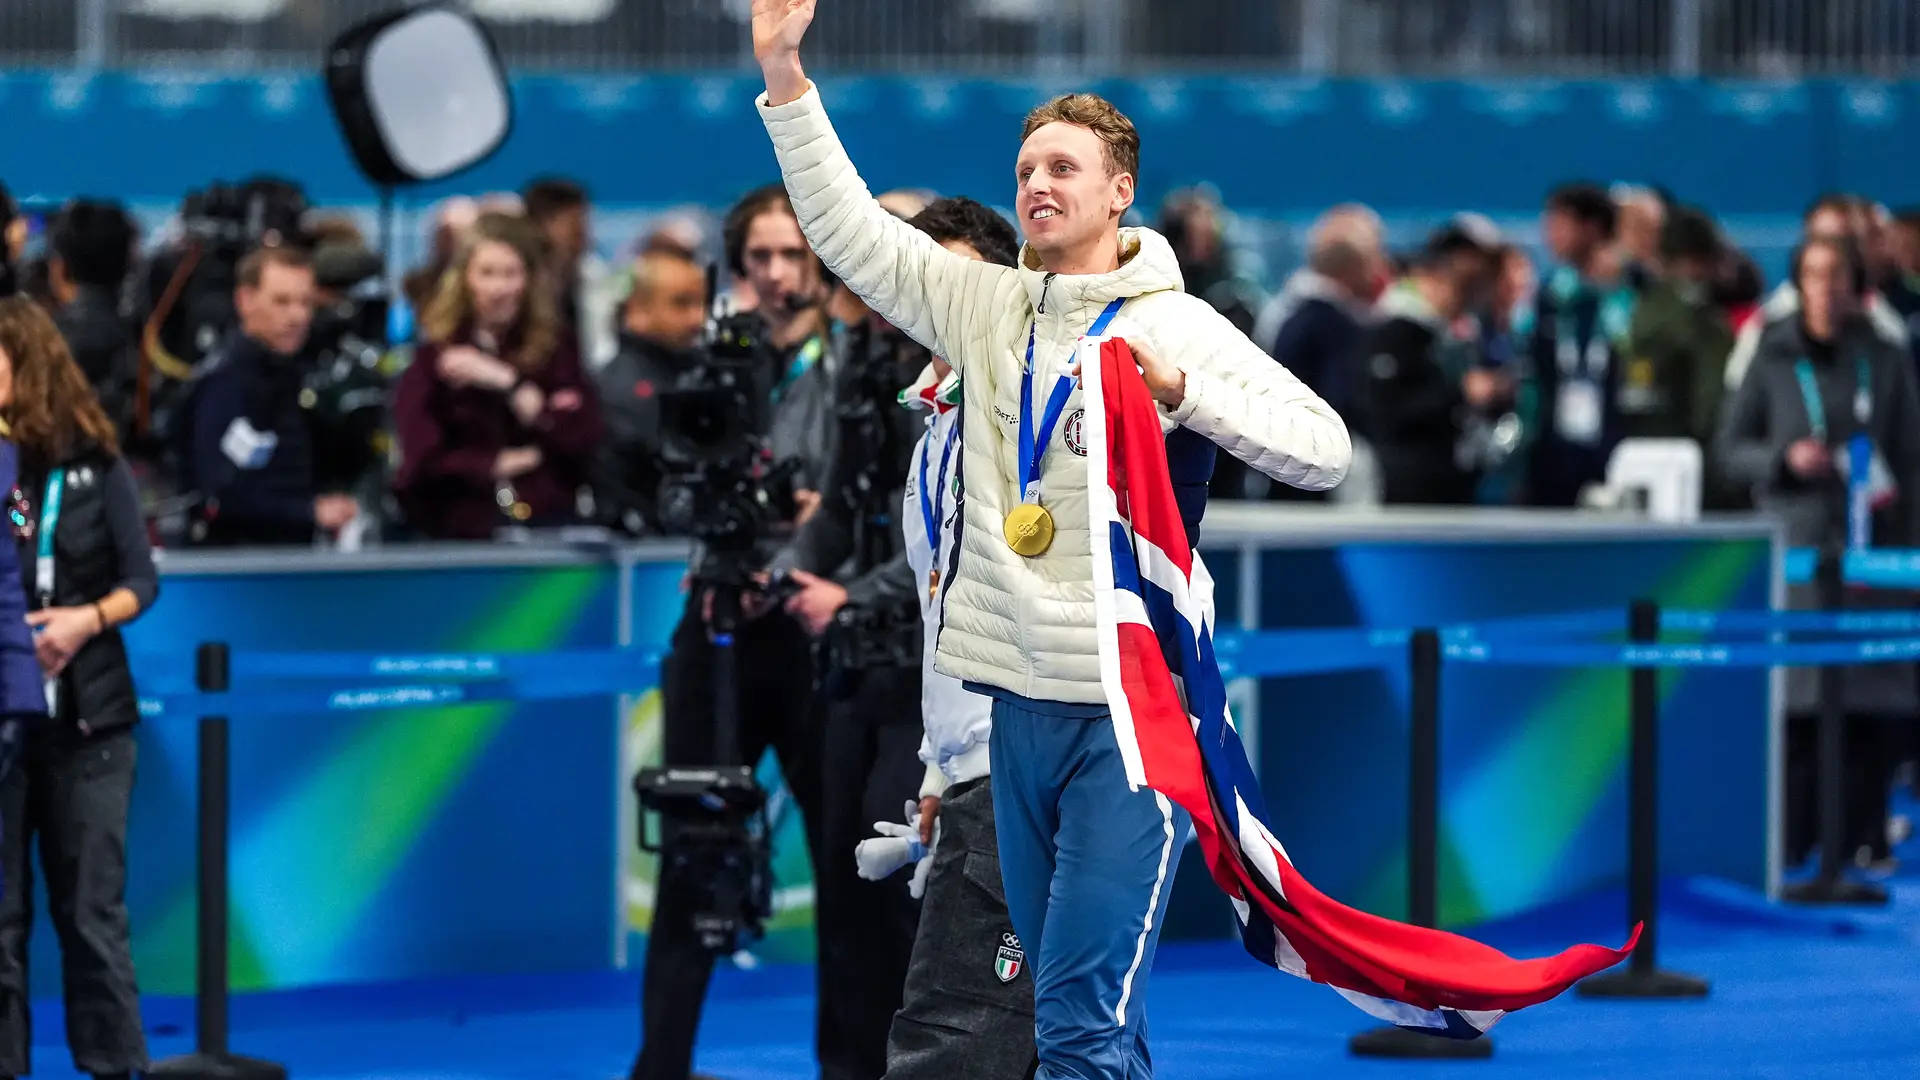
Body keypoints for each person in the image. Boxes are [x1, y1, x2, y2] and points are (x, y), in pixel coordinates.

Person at [750, 3, 1351, 1076]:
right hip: (1014, 715)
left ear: (1120, 190)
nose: (1038, 184)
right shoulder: (983, 308)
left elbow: (1325, 450)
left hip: (1129, 719)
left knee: (1076, 1021)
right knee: (1063, 1021)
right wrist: (787, 78)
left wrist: (1191, 395)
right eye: (1027, 166)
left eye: (1064, 167)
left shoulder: (1173, 323)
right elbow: (848, 230)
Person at [848, 196, 1039, 1080]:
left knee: (956, 1035)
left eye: (961, 280)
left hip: (1030, 766)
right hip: (975, 771)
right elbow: (943, 613)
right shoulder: (932, 429)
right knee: (1033, 1034)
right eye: (926, 280)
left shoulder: (1030, 417)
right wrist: (940, 766)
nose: (941, 300)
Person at [1715, 235, 1920, 873]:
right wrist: (1782, 459)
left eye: (1836, 277)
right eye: (1812, 277)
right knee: (1798, 707)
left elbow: (1911, 457)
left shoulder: (1884, 358)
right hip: (1797, 551)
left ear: (1856, 288)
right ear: (1797, 285)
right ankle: (1792, 844)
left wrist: (1902, 541)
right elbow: (1727, 449)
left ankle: (1862, 840)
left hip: (1870, 550)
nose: (1825, 291)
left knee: (1867, 703)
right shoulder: (1771, 355)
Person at [0, 296, 160, 1080]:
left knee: (91, 913)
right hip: (5, 724)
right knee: (0, 922)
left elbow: (143, 581)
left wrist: (83, 621)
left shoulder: (96, 464)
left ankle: (114, 1065)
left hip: (91, 722)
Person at [392, 211, 603, 540]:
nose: (499, 288)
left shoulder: (556, 349)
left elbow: (583, 435)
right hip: (459, 529)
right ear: (464, 279)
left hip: (549, 523)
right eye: (487, 274)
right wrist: (491, 464)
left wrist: (510, 383)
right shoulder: (435, 357)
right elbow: (420, 462)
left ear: (529, 281)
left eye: (510, 274)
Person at [181, 245, 360, 546]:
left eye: (306, 303)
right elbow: (219, 495)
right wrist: (309, 512)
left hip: (295, 556)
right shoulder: (226, 384)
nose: (297, 316)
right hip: (237, 565)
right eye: (282, 302)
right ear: (245, 300)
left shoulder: (301, 375)